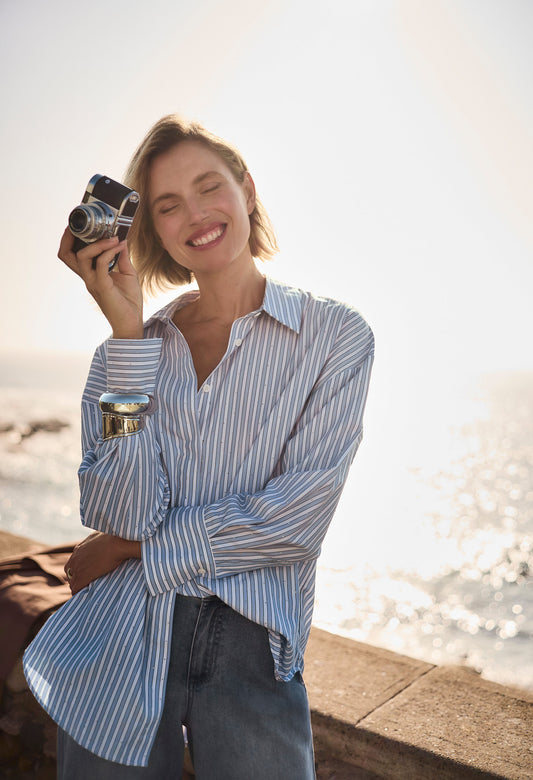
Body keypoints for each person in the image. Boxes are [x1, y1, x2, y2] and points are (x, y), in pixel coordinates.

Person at [23, 115, 374, 779]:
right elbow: (120, 509)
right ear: (150, 230)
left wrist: (133, 550)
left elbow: (293, 523)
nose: (196, 214)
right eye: (167, 205)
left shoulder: (336, 336)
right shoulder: (121, 356)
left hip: (247, 643)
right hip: (116, 640)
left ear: (245, 189)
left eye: (209, 187)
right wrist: (128, 340)